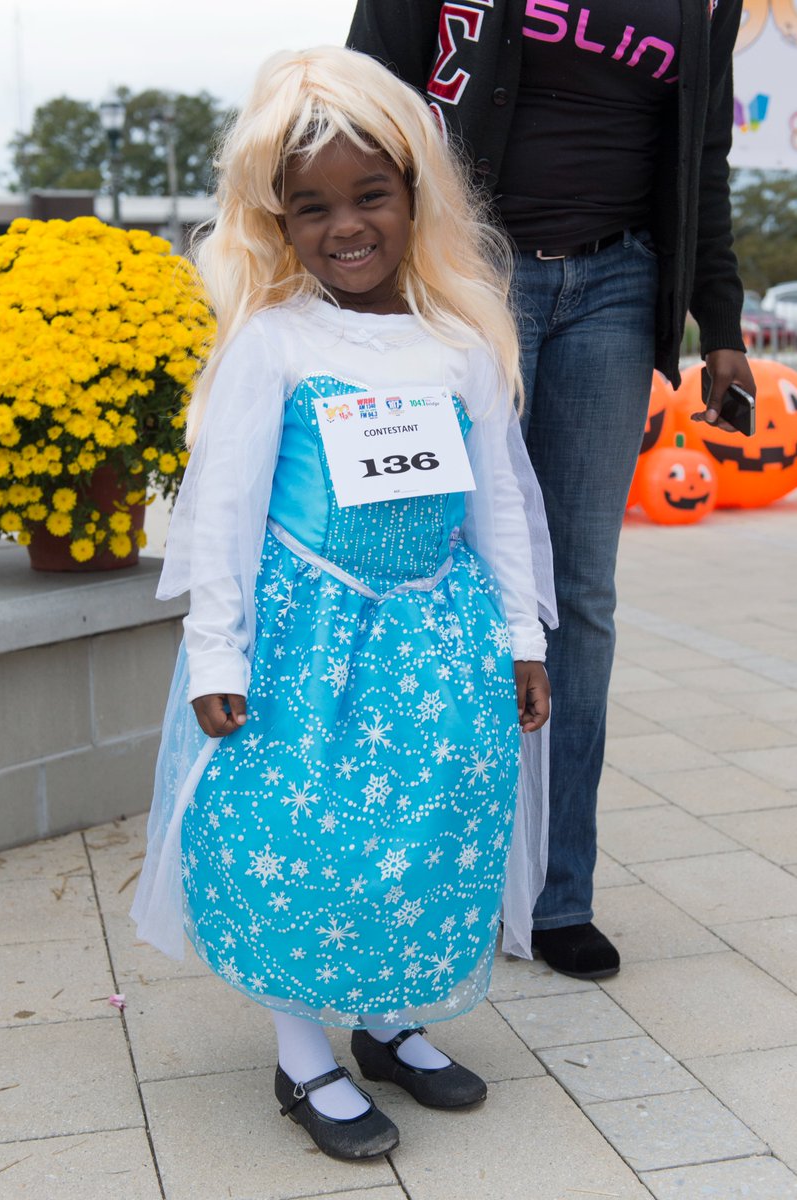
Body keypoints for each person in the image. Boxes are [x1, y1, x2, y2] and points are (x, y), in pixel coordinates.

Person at [131, 46, 557, 1162]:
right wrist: (218, 652)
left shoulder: (460, 343)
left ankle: (386, 1021)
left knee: (418, 833)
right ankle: (302, 1053)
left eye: (371, 195)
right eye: (311, 207)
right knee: (302, 836)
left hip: (433, 639)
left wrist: (520, 632)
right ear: (276, 220)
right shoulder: (271, 344)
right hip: (304, 643)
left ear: (416, 195)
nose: (346, 226)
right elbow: (220, 510)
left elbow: (500, 502)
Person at [348, 0, 755, 980]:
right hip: (463, 283)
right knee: (435, 575)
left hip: (616, 287)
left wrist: (724, 325)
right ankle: (425, 872)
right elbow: (361, 95)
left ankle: (553, 891)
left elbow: (699, 161)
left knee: (578, 597)